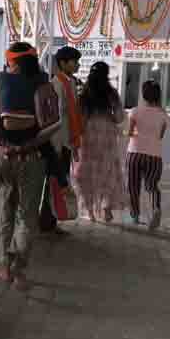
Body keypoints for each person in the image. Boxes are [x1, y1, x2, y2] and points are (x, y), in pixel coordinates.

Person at [0, 42, 61, 292]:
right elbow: (55, 123)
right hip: (33, 157)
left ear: (11, 60)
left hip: (4, 157)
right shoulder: (45, 84)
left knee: (3, 210)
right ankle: (20, 269)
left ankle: (3, 265)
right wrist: (30, 143)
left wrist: (3, 144)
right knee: (26, 215)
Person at [72, 61, 126, 222]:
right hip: (107, 134)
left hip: (88, 134)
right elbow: (119, 117)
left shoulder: (83, 94)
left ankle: (89, 211)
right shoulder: (112, 93)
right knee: (107, 170)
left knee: (86, 172)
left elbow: (79, 117)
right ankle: (106, 206)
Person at [39, 46, 83, 237]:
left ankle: (51, 220)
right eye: (73, 61)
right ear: (62, 63)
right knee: (55, 182)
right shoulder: (57, 84)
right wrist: (56, 146)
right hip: (58, 141)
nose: (77, 64)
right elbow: (55, 118)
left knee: (59, 181)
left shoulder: (70, 82)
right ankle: (47, 222)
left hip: (66, 140)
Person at [126, 80, 168, 230]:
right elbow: (160, 136)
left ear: (143, 95)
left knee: (133, 186)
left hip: (135, 153)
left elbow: (130, 132)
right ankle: (156, 208)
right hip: (154, 155)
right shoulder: (163, 114)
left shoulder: (135, 111)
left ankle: (135, 216)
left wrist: (135, 133)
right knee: (152, 185)